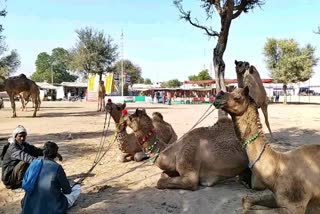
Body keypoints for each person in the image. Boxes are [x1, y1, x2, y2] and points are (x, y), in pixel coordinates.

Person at [21, 141, 81, 213]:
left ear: (43, 152)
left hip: (29, 206)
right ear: (55, 154)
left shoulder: (34, 164)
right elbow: (67, 191)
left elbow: (25, 184)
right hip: (53, 208)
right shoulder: (57, 167)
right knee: (77, 188)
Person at [1, 125, 46, 190]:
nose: (22, 138)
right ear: (15, 136)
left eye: (24, 136)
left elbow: (37, 151)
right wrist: (45, 164)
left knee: (33, 156)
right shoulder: (13, 148)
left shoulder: (24, 145)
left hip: (15, 174)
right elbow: (27, 158)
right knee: (26, 161)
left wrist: (50, 152)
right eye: (20, 136)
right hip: (9, 179)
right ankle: (21, 183)